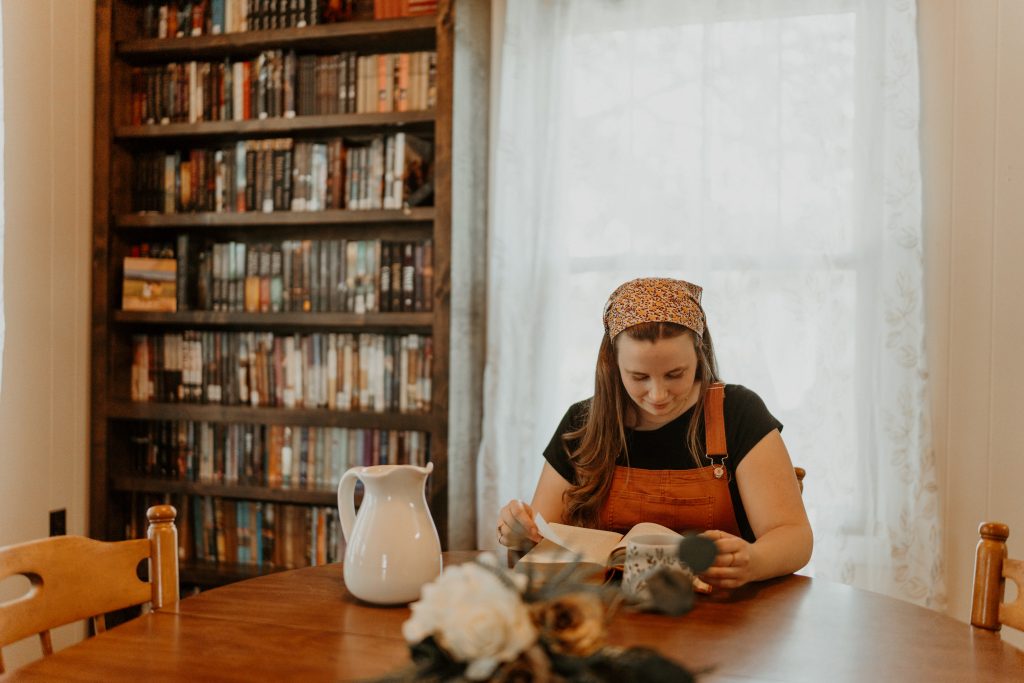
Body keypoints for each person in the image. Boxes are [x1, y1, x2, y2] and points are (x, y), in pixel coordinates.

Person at [497, 277, 813, 589]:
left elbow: (794, 536)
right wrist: (520, 533)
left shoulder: (737, 412)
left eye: (676, 374)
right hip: (605, 617)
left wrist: (753, 561)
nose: (658, 395)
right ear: (612, 364)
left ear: (699, 353)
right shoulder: (581, 423)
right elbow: (539, 545)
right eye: (638, 376)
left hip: (722, 618)